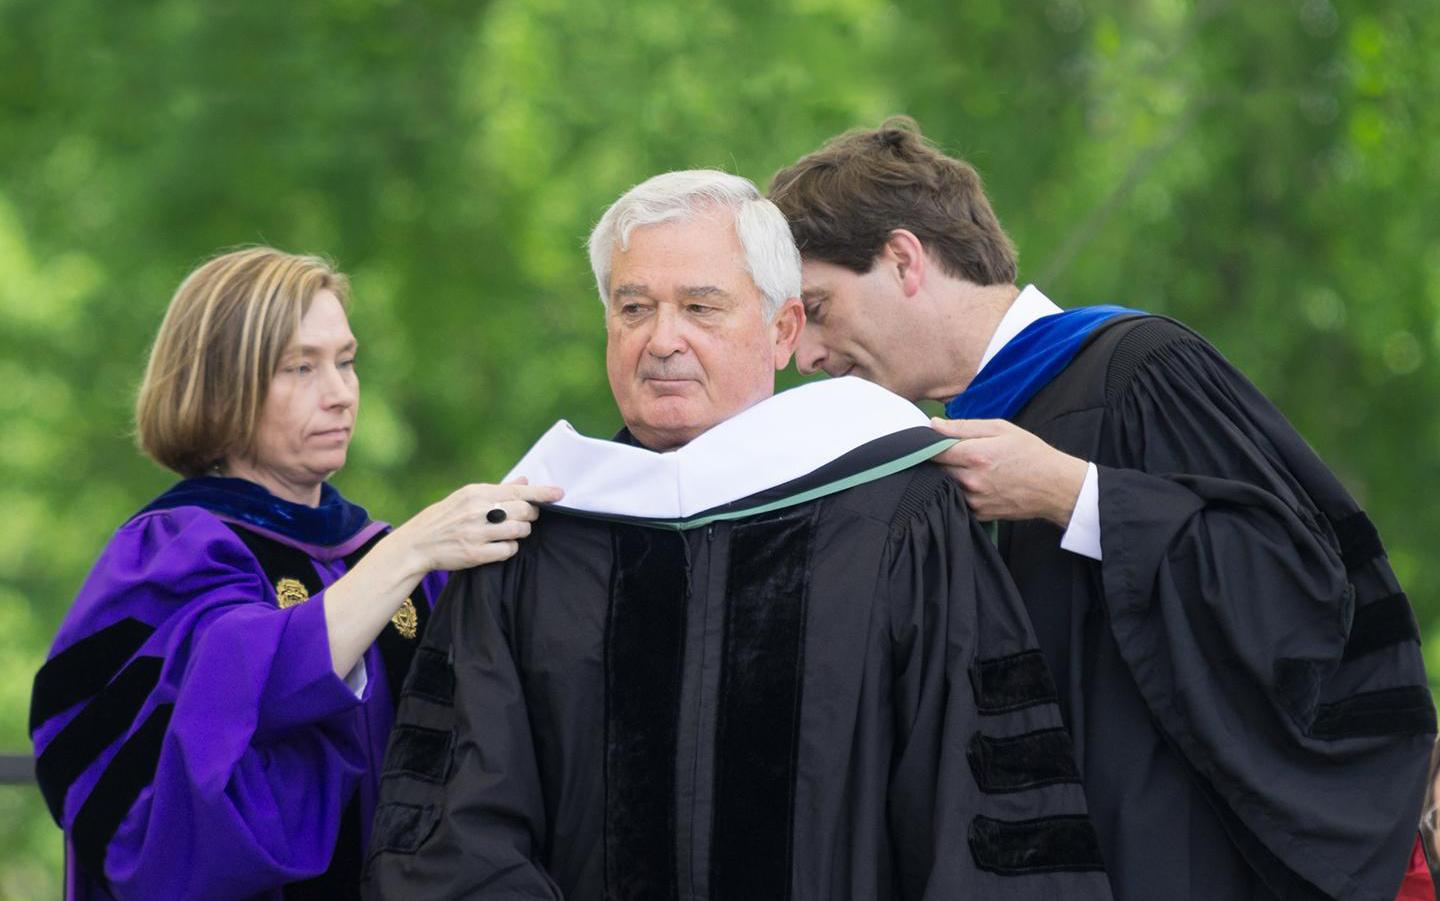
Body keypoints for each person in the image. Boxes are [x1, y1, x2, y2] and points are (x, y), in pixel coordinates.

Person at [363, 171, 1113, 900]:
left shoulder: (897, 517)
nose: (662, 340)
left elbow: (983, 816)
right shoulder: (530, 539)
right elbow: (453, 830)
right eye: (633, 308)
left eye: (701, 306)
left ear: (783, 329)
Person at [766, 117, 1436, 901]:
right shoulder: (935, 462)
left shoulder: (1141, 371)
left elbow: (1304, 591)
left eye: (817, 307)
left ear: (905, 259)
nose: (807, 355)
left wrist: (1073, 494)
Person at [29, 247, 562, 900]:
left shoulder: (385, 557)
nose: (339, 393)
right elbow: (226, 686)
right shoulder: (169, 550)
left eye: (345, 360)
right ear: (221, 386)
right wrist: (414, 548)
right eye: (300, 367)